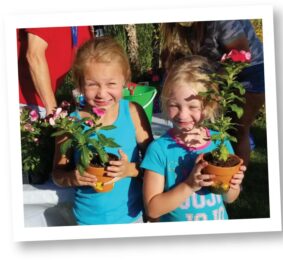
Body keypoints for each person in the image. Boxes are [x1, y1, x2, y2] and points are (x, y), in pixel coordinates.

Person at [52, 36, 153, 225]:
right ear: (80, 84)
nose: (102, 93)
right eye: (92, 84)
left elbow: (156, 163)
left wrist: (130, 169)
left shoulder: (132, 113)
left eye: (111, 84)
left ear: (125, 79)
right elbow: (57, 173)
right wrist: (72, 178)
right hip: (86, 220)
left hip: (132, 217)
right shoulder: (71, 123)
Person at [141, 56, 246, 222]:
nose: (183, 115)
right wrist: (189, 185)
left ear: (209, 106)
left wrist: (232, 184)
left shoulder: (221, 143)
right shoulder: (159, 150)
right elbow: (152, 210)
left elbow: (230, 198)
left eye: (193, 107)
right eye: (175, 105)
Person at [160, 20, 265, 166]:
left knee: (238, 129)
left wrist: (210, 83)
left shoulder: (223, 20)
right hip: (217, 74)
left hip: (250, 73)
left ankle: (236, 179)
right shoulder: (177, 27)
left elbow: (241, 55)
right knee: (210, 124)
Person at [17, 26, 92, 116]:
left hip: (40, 103)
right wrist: (53, 112)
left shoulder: (85, 26)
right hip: (23, 101)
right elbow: (34, 56)